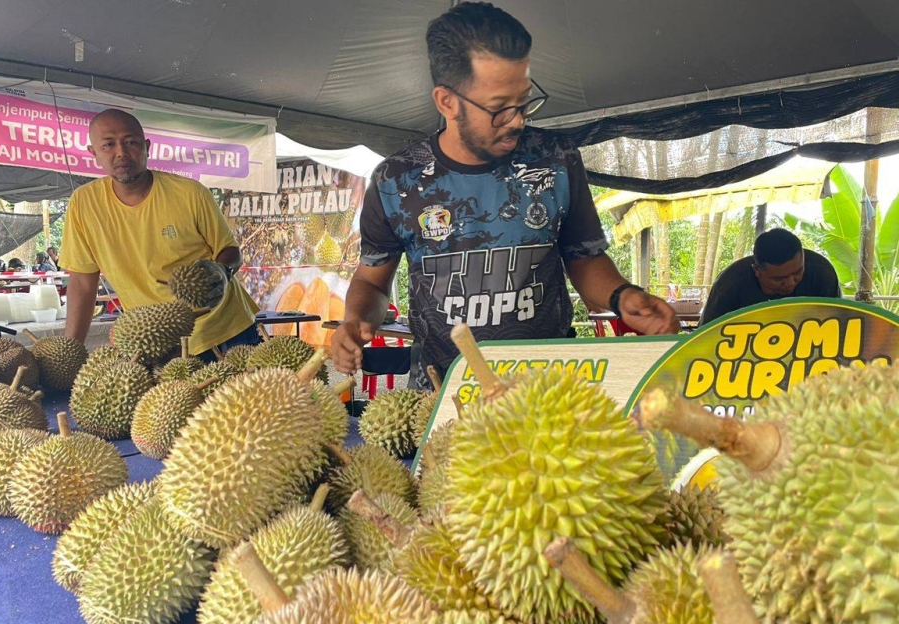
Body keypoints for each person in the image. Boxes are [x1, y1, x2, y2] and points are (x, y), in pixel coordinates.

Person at [331, 2, 678, 387]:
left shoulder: (555, 161)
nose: (518, 120)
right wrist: (356, 320)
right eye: (499, 109)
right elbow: (372, 282)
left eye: (524, 100)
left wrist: (621, 296)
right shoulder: (396, 180)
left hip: (548, 387)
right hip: (442, 391)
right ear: (447, 102)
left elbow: (584, 257)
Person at [59, 108, 259, 355]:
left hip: (223, 330)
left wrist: (222, 270)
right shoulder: (84, 204)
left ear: (147, 147)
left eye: (131, 142)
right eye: (109, 145)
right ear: (94, 154)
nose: (121, 152)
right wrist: (70, 350)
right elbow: (82, 281)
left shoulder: (189, 193)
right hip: (155, 339)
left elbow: (230, 250)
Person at [699, 227, 842, 325]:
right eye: (778, 279)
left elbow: (837, 324)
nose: (791, 282)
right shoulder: (730, 284)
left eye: (798, 272)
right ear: (757, 270)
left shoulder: (822, 273)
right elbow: (705, 336)